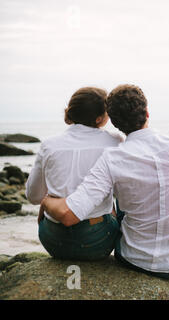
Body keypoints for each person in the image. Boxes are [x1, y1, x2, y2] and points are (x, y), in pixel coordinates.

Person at [41, 84, 169, 280]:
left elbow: (69, 215)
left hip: (132, 260)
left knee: (117, 196)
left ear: (115, 123)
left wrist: (46, 202)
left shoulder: (112, 159)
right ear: (147, 113)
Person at [26, 87, 122, 261]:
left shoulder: (49, 145)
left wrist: (49, 200)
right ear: (99, 118)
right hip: (98, 240)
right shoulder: (114, 141)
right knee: (119, 202)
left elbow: (33, 196)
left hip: (54, 241)